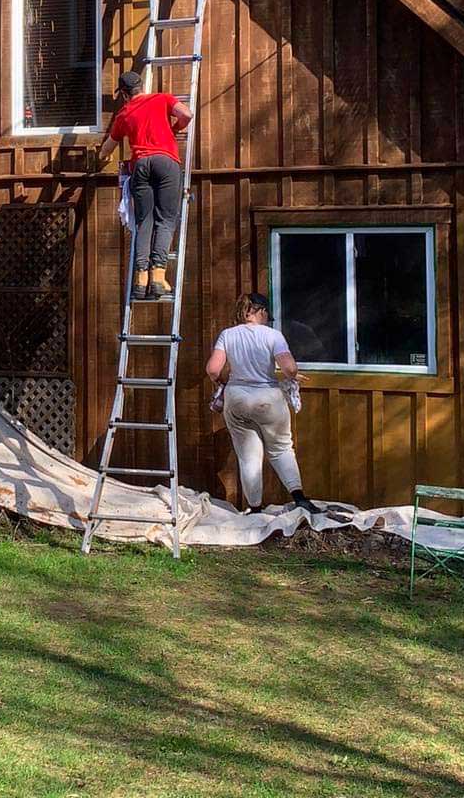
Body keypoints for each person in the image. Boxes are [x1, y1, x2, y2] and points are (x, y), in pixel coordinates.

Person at [206, 293, 317, 515]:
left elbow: (213, 369)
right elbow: (289, 368)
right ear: (259, 311)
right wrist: (294, 375)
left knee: (248, 456)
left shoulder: (227, 335)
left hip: (237, 398)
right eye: (266, 314)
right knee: (281, 449)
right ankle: (299, 499)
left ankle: (255, 508)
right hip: (268, 398)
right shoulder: (273, 336)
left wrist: (222, 381)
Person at [97, 70, 192, 299]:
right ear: (141, 86)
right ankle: (158, 278)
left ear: (125, 95)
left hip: (140, 166)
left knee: (144, 222)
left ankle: (140, 280)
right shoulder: (162, 99)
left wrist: (103, 156)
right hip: (166, 163)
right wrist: (175, 129)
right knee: (166, 220)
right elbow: (187, 114)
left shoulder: (125, 113)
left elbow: (108, 147)